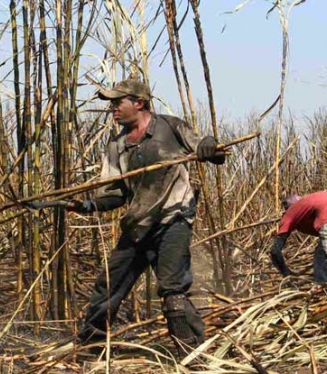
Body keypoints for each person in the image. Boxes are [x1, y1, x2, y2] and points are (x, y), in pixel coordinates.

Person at [65, 78, 225, 357]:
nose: (113, 109)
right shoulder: (117, 145)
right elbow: (115, 194)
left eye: (117, 103)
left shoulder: (170, 127)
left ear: (138, 103)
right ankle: (91, 348)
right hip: (137, 225)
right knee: (109, 286)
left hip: (172, 218)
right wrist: (87, 205)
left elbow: (208, 147)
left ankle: (192, 353)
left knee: (172, 289)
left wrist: (210, 148)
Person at [269, 191, 327, 284]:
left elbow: (275, 250)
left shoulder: (292, 210)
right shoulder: (312, 201)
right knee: (321, 255)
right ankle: (325, 285)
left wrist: (286, 273)